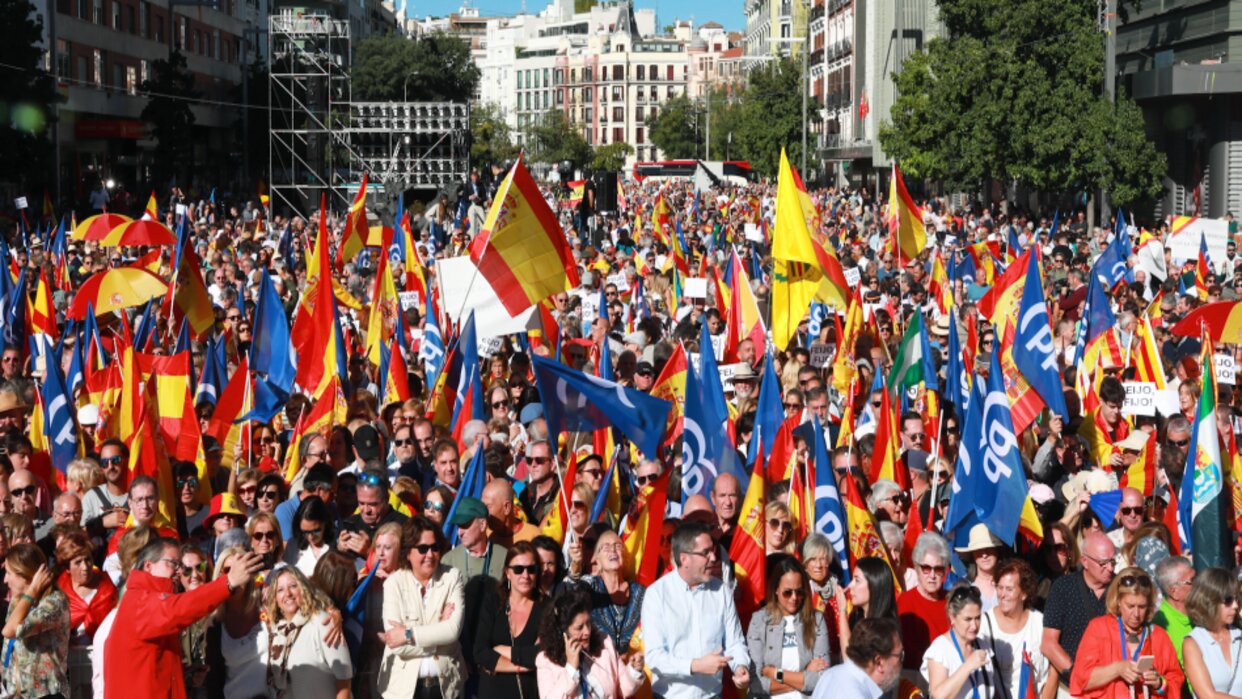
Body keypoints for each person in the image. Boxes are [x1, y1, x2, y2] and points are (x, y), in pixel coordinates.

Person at [103, 537, 265, 699]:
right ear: (148, 566)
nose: (179, 571)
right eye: (173, 563)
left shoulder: (141, 599)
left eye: (179, 565)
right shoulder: (139, 600)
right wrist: (228, 582)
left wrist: (184, 673)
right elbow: (178, 610)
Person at [642, 519, 752, 698]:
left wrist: (740, 667)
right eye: (705, 553)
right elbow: (655, 657)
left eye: (713, 551)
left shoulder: (721, 591)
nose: (714, 558)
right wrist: (696, 665)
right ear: (684, 558)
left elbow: (735, 642)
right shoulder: (657, 594)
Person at [375, 516, 467, 699]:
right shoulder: (394, 584)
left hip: (446, 687)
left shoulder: (452, 577)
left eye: (435, 547)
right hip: (402, 690)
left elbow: (452, 631)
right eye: (423, 549)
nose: (430, 555)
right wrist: (439, 631)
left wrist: (409, 634)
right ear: (408, 552)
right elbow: (396, 645)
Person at [1069, 567, 1183, 698]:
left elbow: (1175, 681)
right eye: (1130, 606)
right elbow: (1080, 680)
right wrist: (1117, 669)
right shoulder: (1099, 628)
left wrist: (1159, 683)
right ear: (1118, 601)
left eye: (1142, 607)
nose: (1136, 614)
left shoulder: (1159, 636)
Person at [259, 566, 352, 698]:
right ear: (275, 599)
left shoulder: (322, 622)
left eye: (293, 586)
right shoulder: (277, 632)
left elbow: (344, 678)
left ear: (303, 588)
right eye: (280, 590)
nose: (287, 593)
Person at [536, 588, 645, 699]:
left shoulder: (604, 643)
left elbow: (623, 688)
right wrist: (571, 668)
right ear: (562, 632)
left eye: (588, 623)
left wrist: (634, 670)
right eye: (579, 628)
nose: (587, 632)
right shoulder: (545, 662)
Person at [1042, 531, 1116, 692]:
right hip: (1072, 687)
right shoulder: (1063, 587)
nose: (1110, 568)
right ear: (1085, 561)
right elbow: (1048, 643)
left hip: (1112, 688)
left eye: (1113, 561)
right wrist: (1078, 676)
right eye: (1103, 563)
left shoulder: (1121, 588)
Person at [473, 541, 548, 699]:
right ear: (507, 572)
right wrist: (524, 666)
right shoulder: (493, 602)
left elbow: (544, 654)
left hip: (530, 693)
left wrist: (500, 651)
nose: (525, 576)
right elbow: (480, 652)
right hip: (491, 693)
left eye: (531, 569)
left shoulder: (546, 607)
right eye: (518, 569)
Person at [746, 556, 830, 697]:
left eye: (799, 592)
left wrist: (775, 673)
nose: (794, 597)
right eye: (787, 592)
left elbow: (822, 678)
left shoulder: (816, 620)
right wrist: (802, 677)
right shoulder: (759, 620)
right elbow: (756, 684)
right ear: (776, 590)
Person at [2, 543, 70, 698]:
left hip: (45, 694)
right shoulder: (18, 600)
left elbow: (10, 631)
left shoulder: (54, 602)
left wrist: (32, 590)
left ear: (25, 575)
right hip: (15, 692)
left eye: (8, 573)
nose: (5, 580)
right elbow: (9, 646)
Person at [982, 559, 1047, 699]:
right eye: (1000, 587)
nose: (1002, 594)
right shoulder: (984, 625)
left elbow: (1051, 672)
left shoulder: (1039, 623)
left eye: (1009, 589)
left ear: (1024, 594)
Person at [922, 583, 996, 699]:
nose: (974, 626)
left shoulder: (983, 646)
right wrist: (968, 666)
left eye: (977, 618)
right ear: (952, 617)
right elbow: (938, 696)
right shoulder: (940, 649)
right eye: (968, 619)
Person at [1181, 566, 1242, 697]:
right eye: (1228, 600)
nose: (1235, 606)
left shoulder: (1239, 636)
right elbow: (1208, 696)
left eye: (1236, 599)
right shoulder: (1193, 643)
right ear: (1209, 602)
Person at [810, 616, 904, 699]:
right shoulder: (856, 695)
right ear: (879, 662)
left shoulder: (830, 675)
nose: (901, 662)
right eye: (900, 656)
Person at [585, 529, 645, 655]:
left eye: (617, 546)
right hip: (597, 666)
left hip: (633, 667)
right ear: (597, 560)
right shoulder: (589, 587)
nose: (612, 550)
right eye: (606, 547)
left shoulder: (641, 592)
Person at [899, 532, 951, 677]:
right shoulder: (905, 602)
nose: (932, 575)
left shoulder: (952, 601)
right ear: (917, 568)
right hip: (918, 679)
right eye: (926, 568)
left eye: (938, 569)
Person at [55, 529, 116, 644]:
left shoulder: (107, 588)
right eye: (78, 562)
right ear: (67, 568)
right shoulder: (59, 592)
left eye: (88, 559)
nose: (85, 567)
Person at [837, 556, 900, 653]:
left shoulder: (885, 629)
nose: (850, 586)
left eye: (857, 581)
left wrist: (842, 610)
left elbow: (851, 661)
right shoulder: (856, 618)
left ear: (874, 585)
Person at [443, 497, 507, 581]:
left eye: (465, 525)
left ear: (482, 525)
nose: (459, 533)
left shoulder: (504, 557)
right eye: (458, 527)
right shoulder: (448, 561)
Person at [1152, 555, 1196, 662]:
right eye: (1192, 581)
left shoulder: (1204, 610)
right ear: (1174, 591)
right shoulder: (1160, 625)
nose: (1199, 584)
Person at [286, 495, 336, 577]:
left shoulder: (336, 544)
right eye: (305, 532)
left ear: (325, 523)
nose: (310, 537)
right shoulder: (293, 545)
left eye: (316, 531)